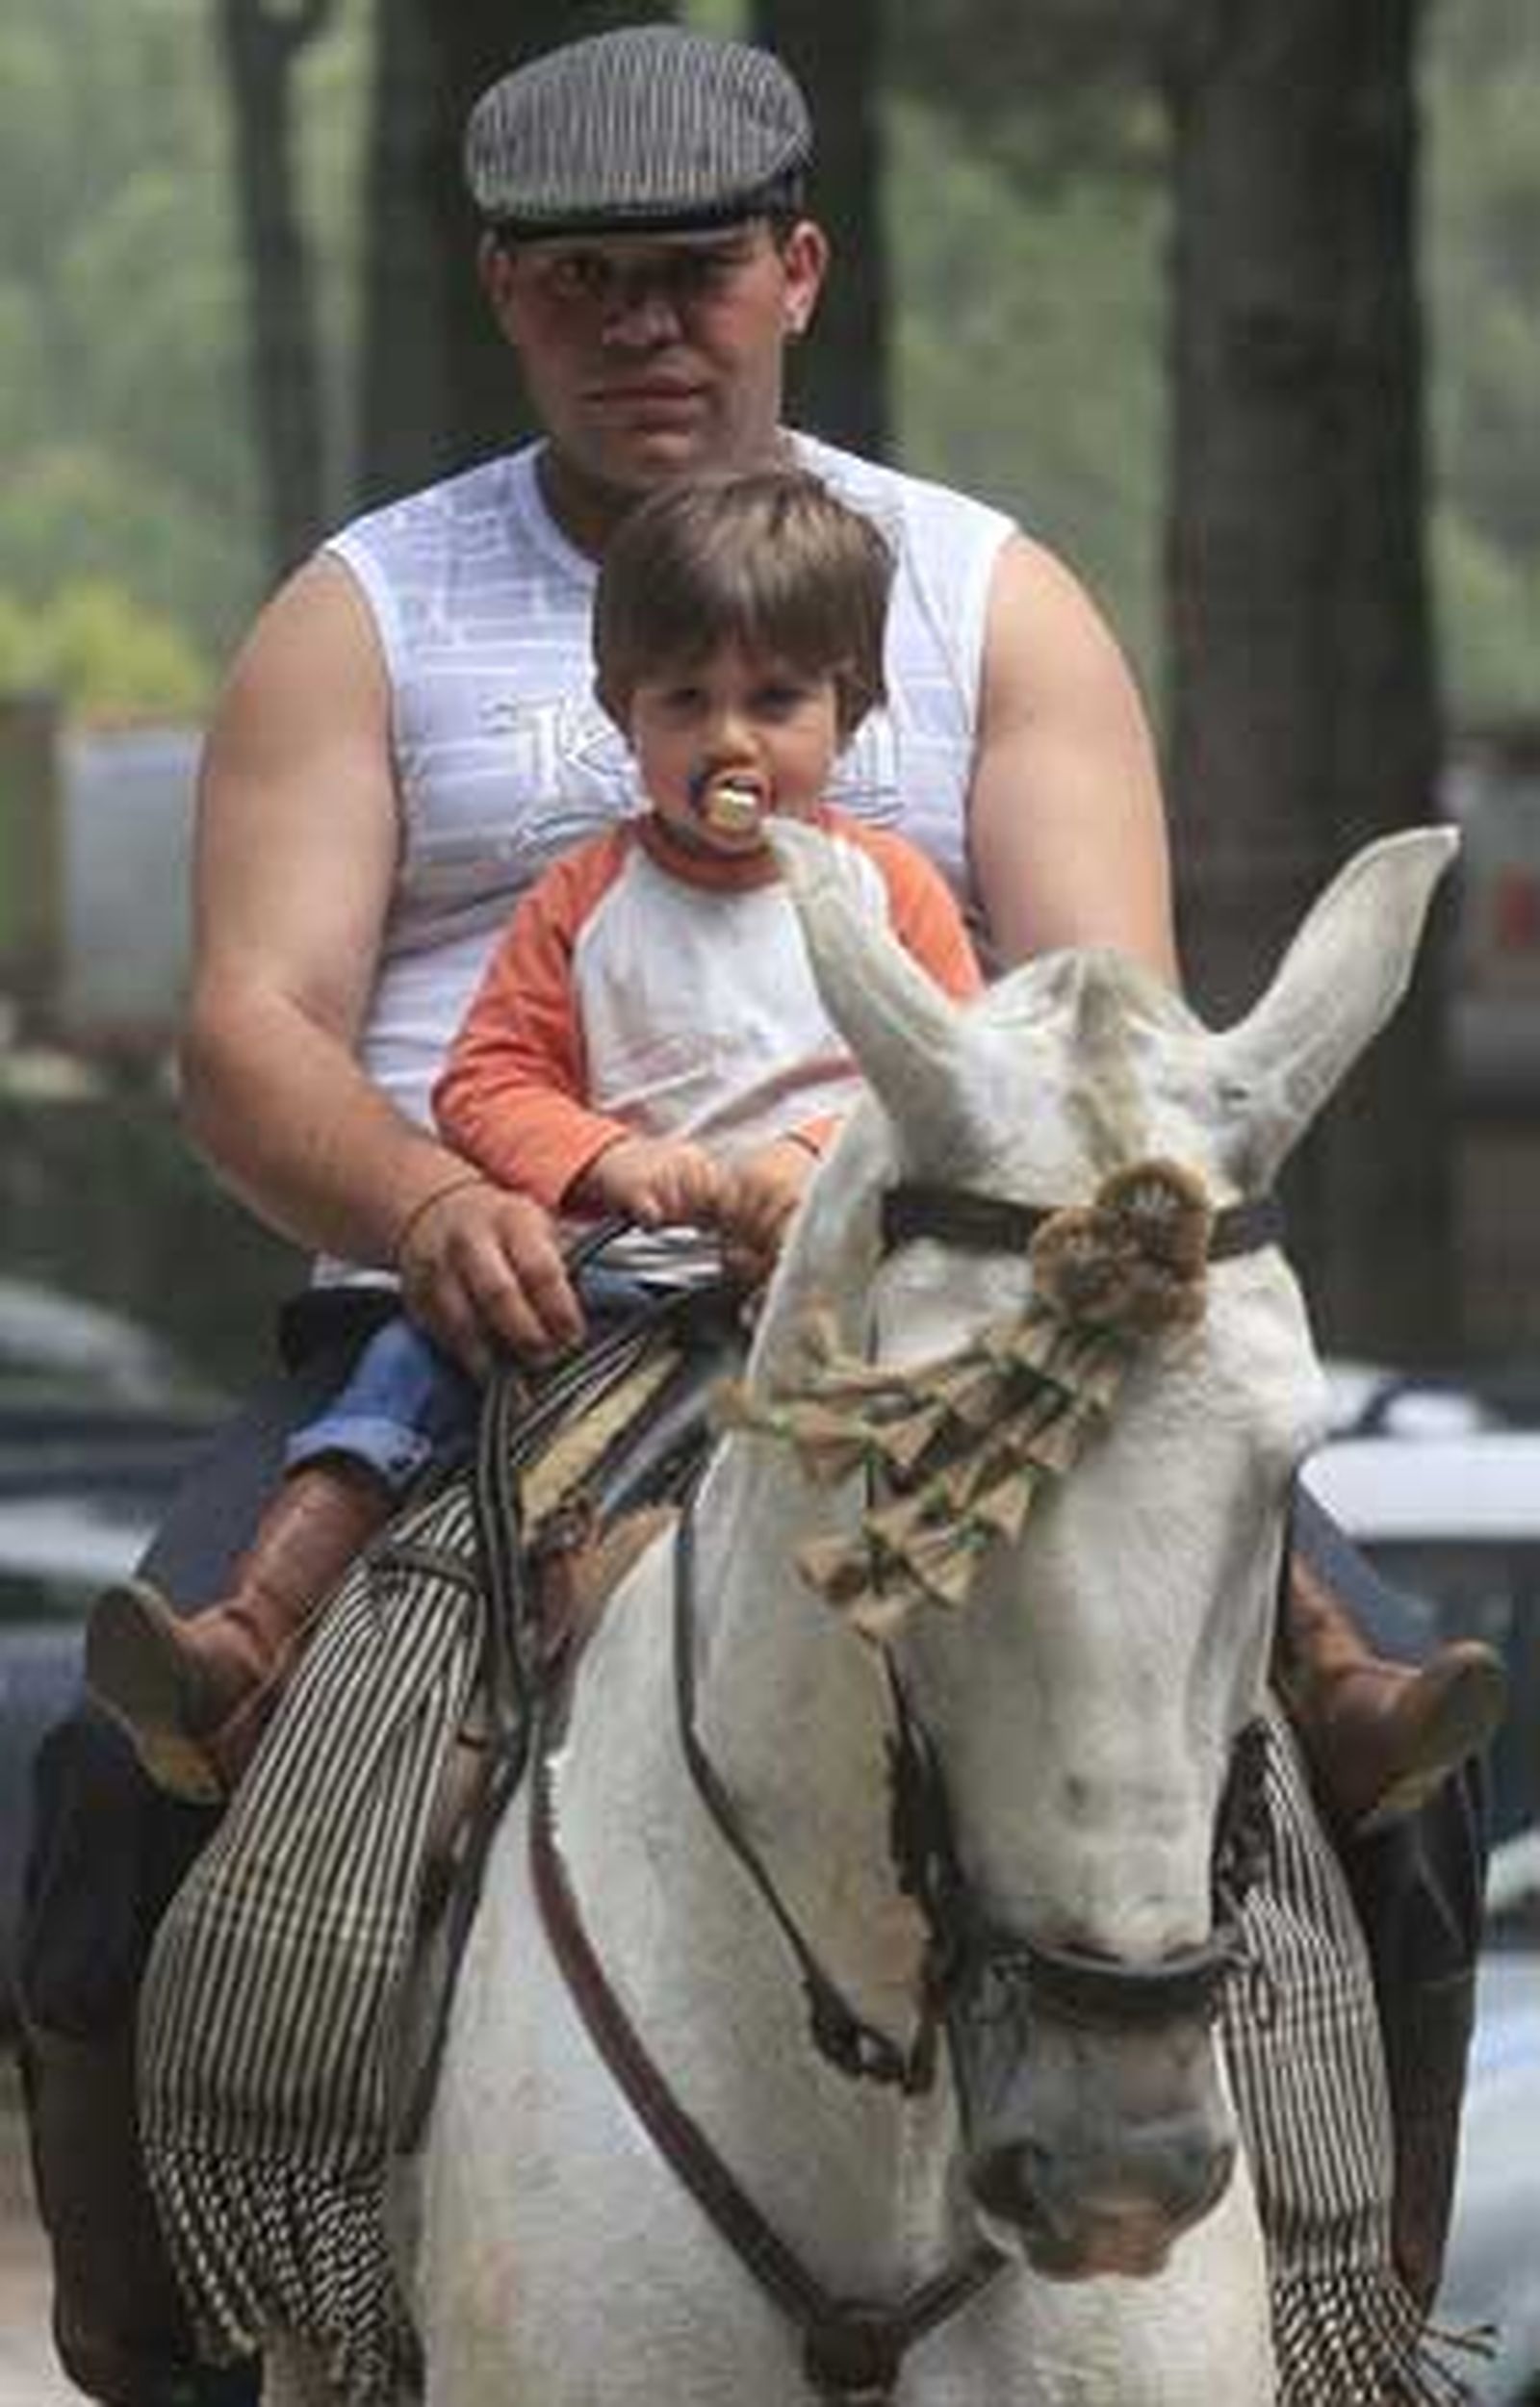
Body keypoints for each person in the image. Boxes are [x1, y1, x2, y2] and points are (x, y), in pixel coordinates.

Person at [16, 24, 1496, 2405]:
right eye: (577, 278)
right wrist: (426, 1197)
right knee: (109, 1777)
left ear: (795, 269)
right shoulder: (361, 614)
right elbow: (253, 1035)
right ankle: (162, 2324)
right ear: (503, 296)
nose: (641, 321)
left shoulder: (996, 602)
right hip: (502, 1309)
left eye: (693, 270)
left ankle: (1363, 2311)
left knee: (1391, 1754)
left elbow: (1096, 1044)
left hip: (947, 1331)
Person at [82, 469, 983, 1806]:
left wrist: (816, 1160)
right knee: (407, 1360)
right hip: (610, 1279)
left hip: (853, 1274)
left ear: (850, 712)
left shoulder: (884, 888)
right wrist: (609, 1161)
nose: (728, 739)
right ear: (624, 713)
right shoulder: (587, 896)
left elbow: (956, 1076)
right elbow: (488, 1079)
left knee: (1104, 1397)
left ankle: (1309, 1654)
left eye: (776, 701)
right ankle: (253, 1631)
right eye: (684, 701)